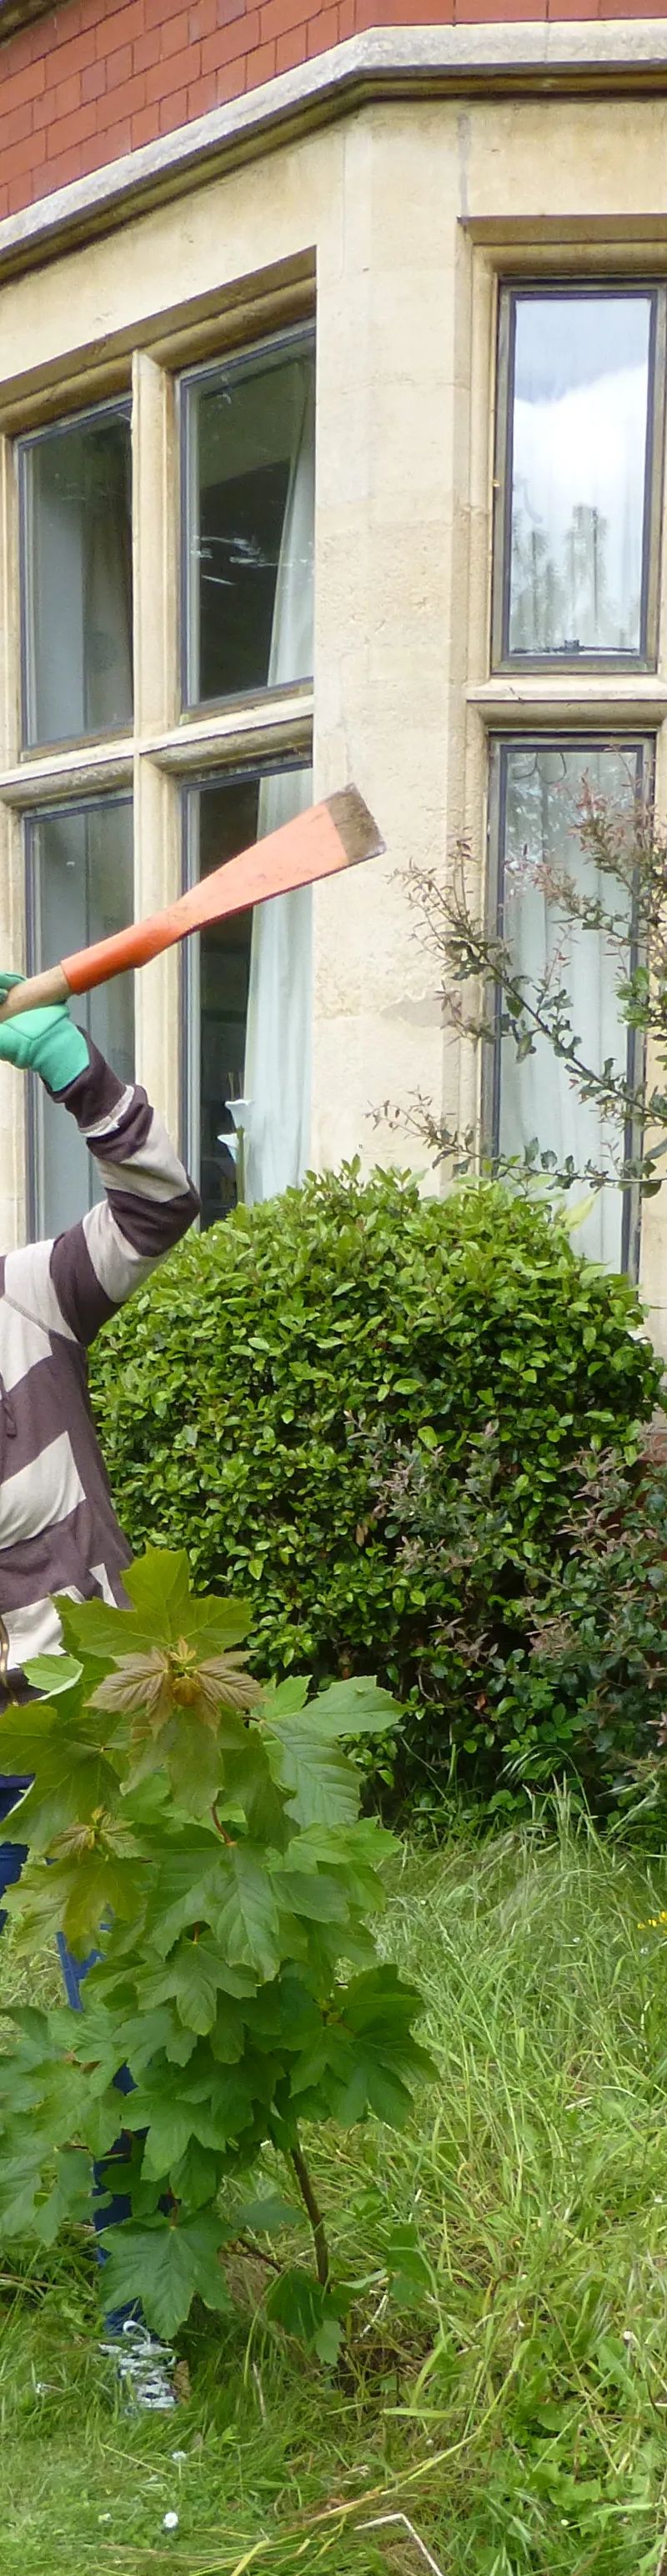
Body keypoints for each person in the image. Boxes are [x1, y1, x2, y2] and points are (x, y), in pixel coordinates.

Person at [0, 974, 199, 2409]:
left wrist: (72, 1062)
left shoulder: (26, 1300)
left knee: (120, 2012)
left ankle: (139, 2315)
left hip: (77, 1731)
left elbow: (157, 1204)